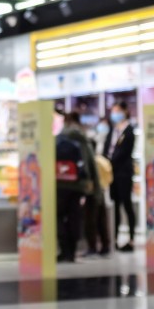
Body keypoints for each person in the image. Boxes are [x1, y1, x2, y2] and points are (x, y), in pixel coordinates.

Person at [56, 112, 99, 262]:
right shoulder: (83, 138)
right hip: (78, 184)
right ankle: (72, 251)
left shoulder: (60, 137)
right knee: (75, 216)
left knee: (59, 215)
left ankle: (64, 248)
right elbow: (90, 163)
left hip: (60, 183)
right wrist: (92, 184)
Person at [105, 101, 137, 252]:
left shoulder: (129, 131)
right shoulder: (113, 130)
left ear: (124, 111)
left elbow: (123, 153)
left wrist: (111, 161)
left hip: (123, 173)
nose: (115, 114)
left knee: (127, 205)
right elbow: (107, 149)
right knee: (115, 206)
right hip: (112, 174)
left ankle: (131, 239)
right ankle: (115, 238)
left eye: (117, 110)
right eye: (113, 111)